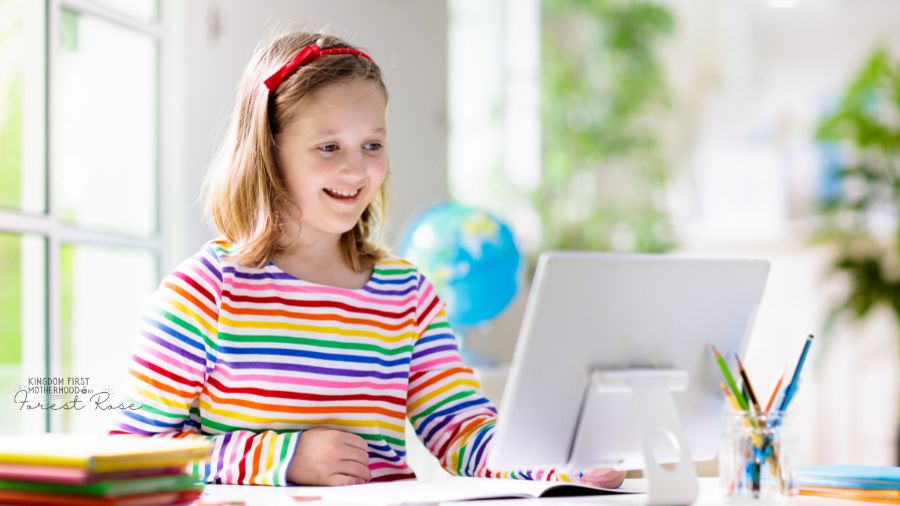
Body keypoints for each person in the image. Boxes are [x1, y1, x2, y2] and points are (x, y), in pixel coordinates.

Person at [110, 31, 626, 489]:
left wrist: (560, 465)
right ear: (268, 152)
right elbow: (131, 452)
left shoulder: (406, 294)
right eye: (329, 146)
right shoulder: (203, 294)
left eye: (372, 143)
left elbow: (462, 432)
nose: (357, 169)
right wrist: (281, 458)